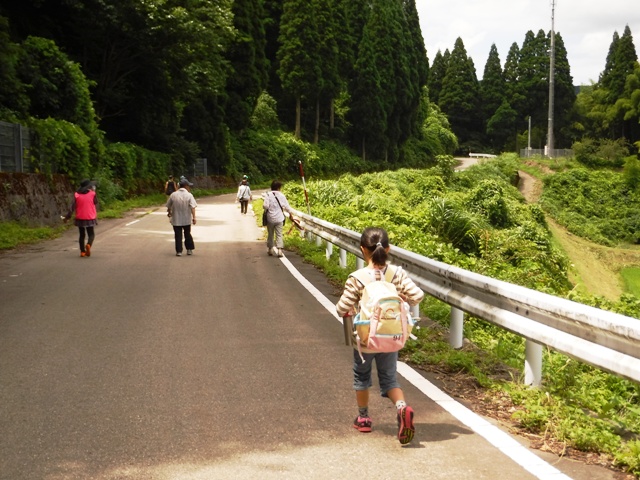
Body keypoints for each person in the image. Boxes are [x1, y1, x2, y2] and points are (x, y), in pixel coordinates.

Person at [335, 227, 424, 444]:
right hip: (392, 338)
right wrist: (401, 296)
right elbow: (418, 296)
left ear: (362, 249)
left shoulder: (357, 278)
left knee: (362, 377)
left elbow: (341, 308)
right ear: (388, 249)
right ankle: (402, 407)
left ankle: (364, 418)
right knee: (389, 378)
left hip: (366, 339)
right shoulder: (397, 274)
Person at [63, 179, 99, 257]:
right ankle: (89, 245)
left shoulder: (77, 195)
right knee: (91, 234)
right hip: (90, 217)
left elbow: (71, 208)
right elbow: (95, 202)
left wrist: (67, 217)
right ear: (88, 186)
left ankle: (82, 252)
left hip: (80, 217)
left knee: (82, 235)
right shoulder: (92, 194)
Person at [262, 180, 296, 257]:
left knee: (270, 234)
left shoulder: (268, 195)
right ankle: (279, 250)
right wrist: (291, 214)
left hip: (270, 218)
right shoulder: (282, 195)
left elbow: (265, 206)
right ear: (278, 187)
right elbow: (287, 207)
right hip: (280, 218)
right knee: (279, 234)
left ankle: (270, 249)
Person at [166, 177, 197, 256]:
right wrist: (194, 217)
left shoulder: (173, 195)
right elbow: (193, 207)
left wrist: (169, 213)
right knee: (187, 234)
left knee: (178, 235)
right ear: (186, 186)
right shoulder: (189, 195)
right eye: (188, 186)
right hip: (186, 219)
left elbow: (169, 206)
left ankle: (179, 251)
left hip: (176, 219)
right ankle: (189, 249)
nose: (189, 187)